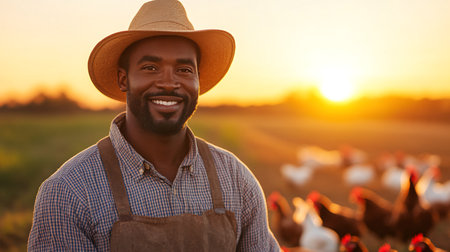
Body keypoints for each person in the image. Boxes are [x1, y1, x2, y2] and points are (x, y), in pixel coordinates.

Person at [28, 0, 280, 251]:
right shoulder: (69, 191)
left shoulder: (237, 179)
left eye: (183, 69)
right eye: (150, 67)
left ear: (198, 81)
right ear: (123, 79)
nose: (169, 83)